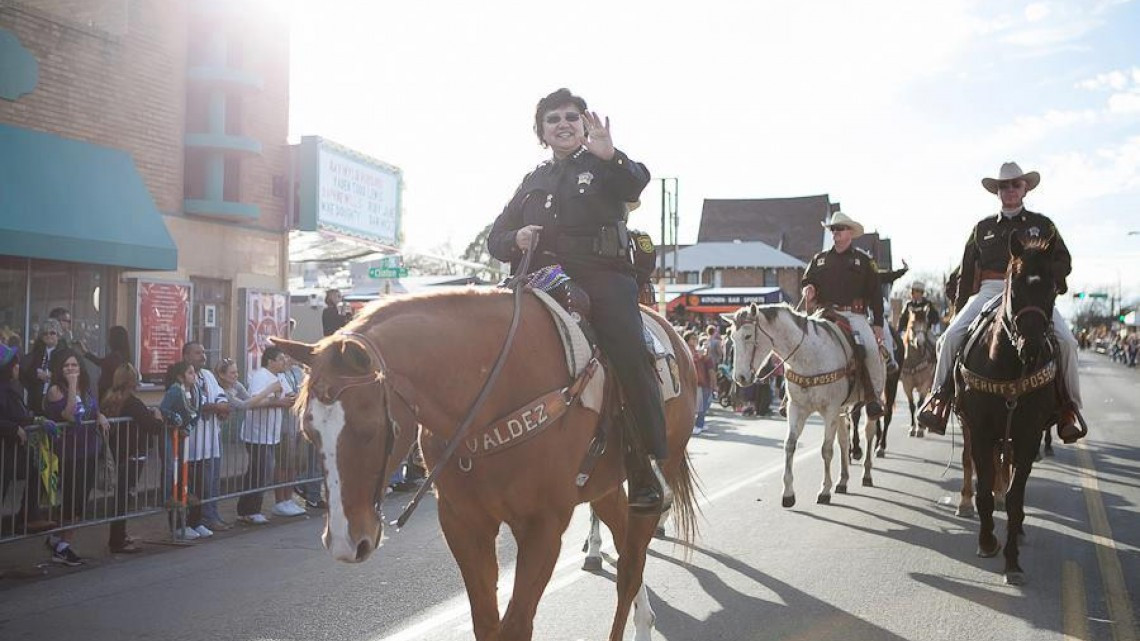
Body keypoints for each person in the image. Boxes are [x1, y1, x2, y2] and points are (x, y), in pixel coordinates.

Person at [486, 88, 669, 513]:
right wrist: (517, 237)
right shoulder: (532, 181)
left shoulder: (605, 167)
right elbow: (497, 238)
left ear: (584, 125)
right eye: (553, 119)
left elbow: (635, 181)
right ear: (541, 132)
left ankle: (644, 466)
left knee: (628, 351)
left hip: (602, 277)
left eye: (572, 116)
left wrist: (609, 153)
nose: (564, 124)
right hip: (540, 278)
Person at [918, 162, 1084, 442]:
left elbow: (1063, 260)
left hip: (1030, 294)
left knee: (1068, 342)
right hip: (989, 290)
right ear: (997, 191)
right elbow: (966, 272)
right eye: (1004, 186)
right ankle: (939, 400)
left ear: (1025, 189)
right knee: (948, 339)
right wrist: (959, 312)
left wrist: (1045, 282)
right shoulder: (981, 228)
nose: (1009, 190)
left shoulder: (1043, 225)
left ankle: (1069, 409)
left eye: (1015, 184)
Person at [800, 211, 888, 420]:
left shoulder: (864, 261)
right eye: (833, 229)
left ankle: (873, 397)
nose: (835, 233)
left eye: (839, 229)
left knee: (871, 349)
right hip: (825, 313)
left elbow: (876, 294)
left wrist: (877, 325)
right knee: (803, 340)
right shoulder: (819, 259)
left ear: (850, 233)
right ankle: (793, 395)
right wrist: (809, 288)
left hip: (854, 316)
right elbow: (807, 280)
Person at [43, 347, 111, 566]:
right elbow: (69, 415)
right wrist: (72, 386)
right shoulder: (56, 390)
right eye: (66, 366)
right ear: (59, 369)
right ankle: (63, 546)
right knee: (73, 500)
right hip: (70, 452)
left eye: (74, 365)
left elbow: (92, 410)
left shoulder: (86, 389)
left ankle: (59, 540)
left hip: (90, 449)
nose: (71, 369)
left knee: (82, 498)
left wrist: (100, 415)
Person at [101, 363, 165, 553]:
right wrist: (158, 416)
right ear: (133, 381)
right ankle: (117, 540)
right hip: (132, 455)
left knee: (121, 497)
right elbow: (153, 427)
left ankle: (120, 535)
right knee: (124, 497)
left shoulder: (109, 398)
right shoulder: (132, 403)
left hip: (118, 453)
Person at [235, 347, 296, 524]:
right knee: (259, 472)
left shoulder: (281, 377)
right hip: (257, 433)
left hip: (272, 433)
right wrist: (278, 402)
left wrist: (292, 398)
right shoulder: (261, 376)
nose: (284, 362)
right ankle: (249, 510)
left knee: (262, 471)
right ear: (270, 361)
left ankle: (250, 509)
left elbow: (288, 395)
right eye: (281, 359)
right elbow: (254, 401)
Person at [0, 345, 53, 536]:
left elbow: (19, 414)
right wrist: (13, 428)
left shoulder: (10, 388)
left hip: (12, 450)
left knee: (34, 469)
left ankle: (29, 515)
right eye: (14, 366)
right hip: (6, 449)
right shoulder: (3, 389)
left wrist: (36, 420)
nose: (17, 369)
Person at [181, 342, 231, 534]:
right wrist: (214, 407)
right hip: (193, 440)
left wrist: (223, 406)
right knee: (195, 483)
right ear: (186, 355)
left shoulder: (208, 375)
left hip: (210, 438)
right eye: (197, 353)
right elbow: (191, 402)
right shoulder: (182, 375)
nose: (203, 356)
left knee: (211, 481)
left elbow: (219, 394)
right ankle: (196, 520)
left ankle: (210, 516)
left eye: (203, 352)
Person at [159, 361, 204, 540]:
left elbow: (196, 413)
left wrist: (189, 426)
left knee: (185, 467)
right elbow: (164, 408)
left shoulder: (196, 391)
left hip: (183, 434)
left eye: (194, 373)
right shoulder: (175, 390)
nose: (194, 375)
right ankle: (168, 495)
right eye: (190, 372)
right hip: (170, 433)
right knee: (171, 465)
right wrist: (175, 419)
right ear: (180, 377)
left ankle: (186, 499)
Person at [21, 319, 63, 415]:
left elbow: (69, 375)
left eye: (52, 333)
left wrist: (50, 376)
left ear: (59, 335)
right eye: (45, 333)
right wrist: (37, 375)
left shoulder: (64, 353)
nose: (48, 335)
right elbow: (26, 373)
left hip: (56, 399)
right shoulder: (37, 353)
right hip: (37, 399)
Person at [80, 325, 131, 402]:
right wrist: (85, 352)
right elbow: (102, 362)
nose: (108, 339)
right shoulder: (122, 355)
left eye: (110, 336)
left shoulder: (115, 357)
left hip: (108, 393)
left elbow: (102, 363)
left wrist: (86, 353)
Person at [686, 332, 716, 435]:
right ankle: (698, 424)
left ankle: (700, 424)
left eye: (696, 339)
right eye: (692, 339)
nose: (694, 341)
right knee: (700, 406)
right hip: (696, 382)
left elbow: (709, 366)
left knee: (702, 406)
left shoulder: (698, 352)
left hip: (702, 382)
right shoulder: (688, 350)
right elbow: (693, 359)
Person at [897, 282, 940, 346]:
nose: (915, 294)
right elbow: (902, 320)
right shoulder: (908, 305)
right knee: (899, 345)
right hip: (910, 331)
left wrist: (928, 320)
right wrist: (900, 331)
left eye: (918, 291)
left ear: (922, 293)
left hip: (925, 331)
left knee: (935, 344)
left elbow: (936, 318)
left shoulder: (928, 304)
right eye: (914, 291)